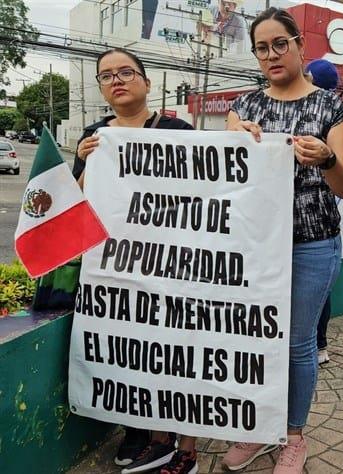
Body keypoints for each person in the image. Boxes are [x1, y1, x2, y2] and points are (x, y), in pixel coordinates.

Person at [222, 8, 343, 473]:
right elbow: (226, 170)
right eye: (262, 47)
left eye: (281, 44)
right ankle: (257, 429)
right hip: (256, 245)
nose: (272, 55)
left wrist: (325, 160)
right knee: (253, 338)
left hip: (312, 244)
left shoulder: (332, 108)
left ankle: (293, 436)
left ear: (300, 46)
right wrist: (234, 133)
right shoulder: (245, 107)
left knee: (298, 342)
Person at [72, 48, 198, 474]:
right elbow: (75, 203)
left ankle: (180, 441)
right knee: (129, 351)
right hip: (116, 264)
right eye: (106, 75)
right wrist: (87, 163)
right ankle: (142, 433)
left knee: (172, 349)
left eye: (126, 72)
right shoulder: (94, 137)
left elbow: (206, 193)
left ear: (146, 81)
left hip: (172, 262)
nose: (116, 80)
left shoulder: (179, 131)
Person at [303, 58, 342, 365]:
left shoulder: (332, 118)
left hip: (318, 228)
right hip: (319, 226)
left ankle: (318, 344)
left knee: (318, 292)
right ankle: (319, 344)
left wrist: (327, 158)